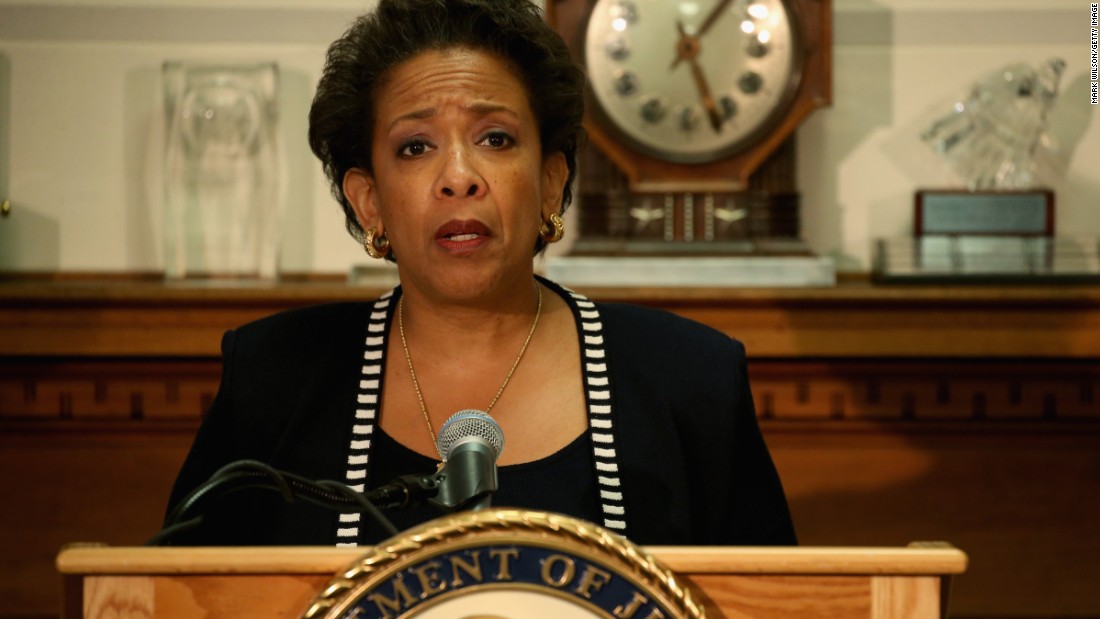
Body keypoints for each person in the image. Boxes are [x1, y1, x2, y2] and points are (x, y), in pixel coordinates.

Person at [163, 0, 796, 548]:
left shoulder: (691, 379)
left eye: (495, 138)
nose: (459, 176)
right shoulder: (273, 378)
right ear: (369, 201)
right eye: (416, 146)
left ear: (551, 182)